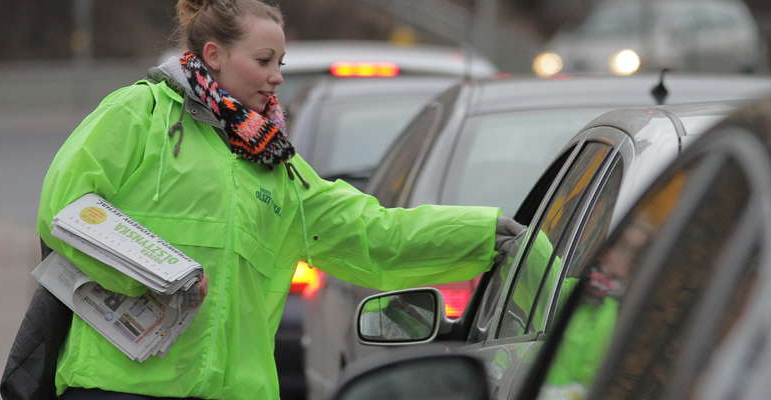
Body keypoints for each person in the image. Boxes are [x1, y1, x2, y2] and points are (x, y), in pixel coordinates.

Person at [33, 1, 523, 399]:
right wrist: (156, 277)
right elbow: (67, 208)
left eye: (280, 64)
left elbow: (372, 234)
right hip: (119, 386)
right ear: (214, 54)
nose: (277, 77)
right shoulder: (138, 112)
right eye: (264, 61)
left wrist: (481, 234)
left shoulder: (277, 163)